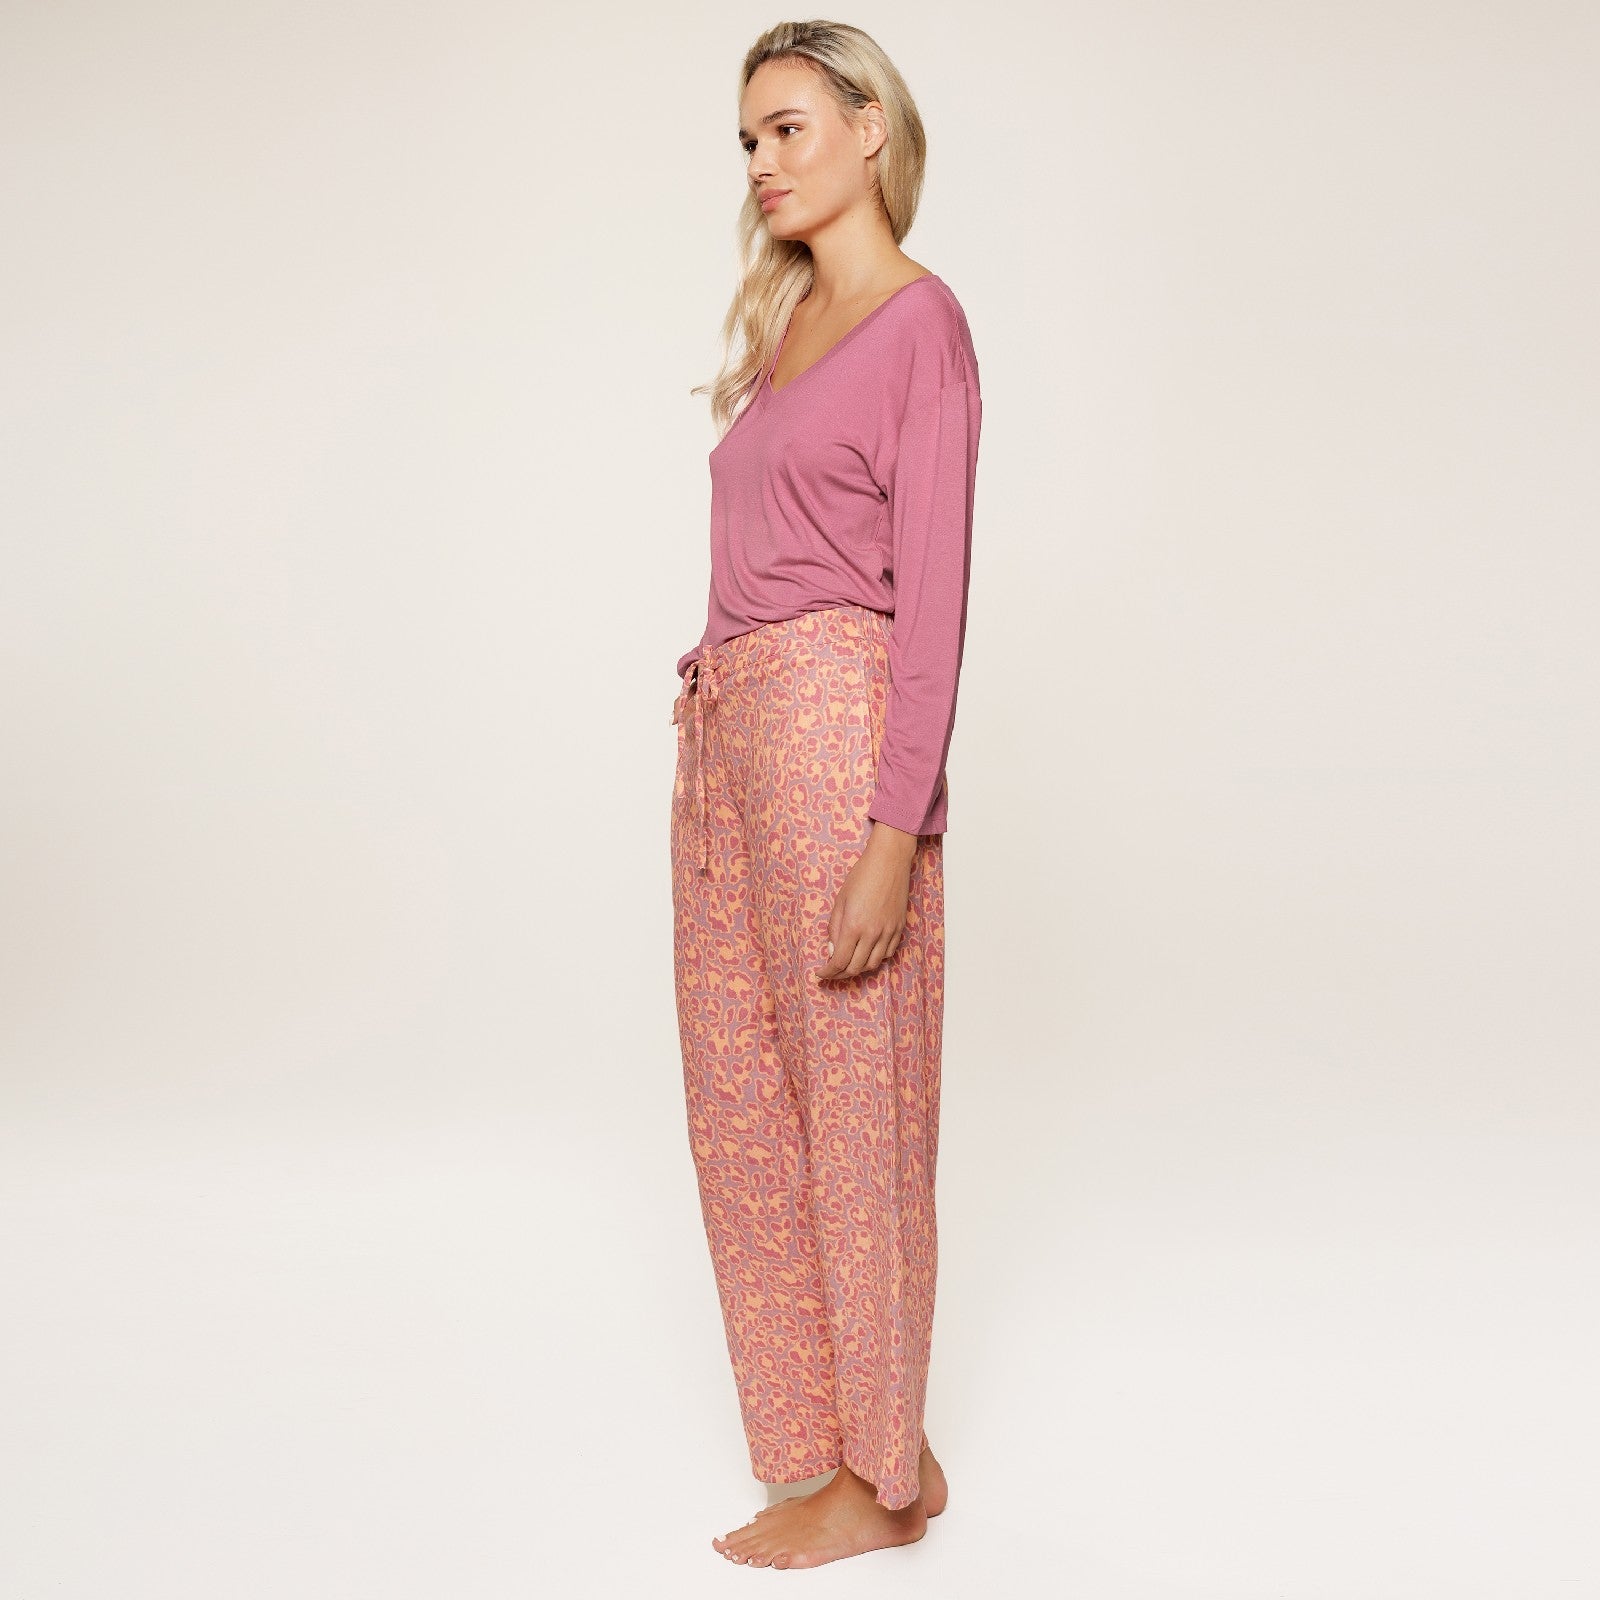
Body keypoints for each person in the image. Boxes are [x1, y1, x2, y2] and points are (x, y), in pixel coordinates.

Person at [670, 19, 982, 1571]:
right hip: (727, 729)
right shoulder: (788, 320)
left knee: (859, 1107)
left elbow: (932, 601)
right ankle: (834, 1443)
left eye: (788, 127)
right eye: (748, 139)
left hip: (837, 731)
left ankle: (881, 1484)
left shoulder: (922, 325)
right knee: (742, 1099)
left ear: (870, 128)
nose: (763, 162)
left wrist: (893, 832)